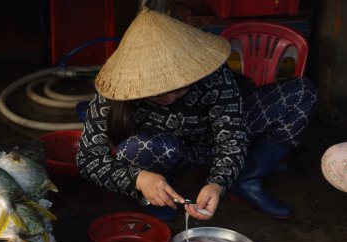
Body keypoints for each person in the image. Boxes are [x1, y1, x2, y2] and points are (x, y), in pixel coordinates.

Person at [76, 8, 317, 221]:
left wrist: (218, 183)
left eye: (180, 88)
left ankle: (246, 181)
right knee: (141, 147)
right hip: (168, 149)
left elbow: (231, 135)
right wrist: (139, 179)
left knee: (302, 92)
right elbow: (89, 160)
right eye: (158, 93)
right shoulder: (116, 87)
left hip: (213, 140)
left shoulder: (212, 73)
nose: (170, 98)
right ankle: (159, 195)